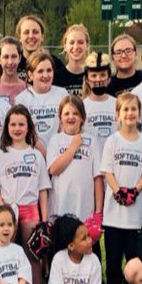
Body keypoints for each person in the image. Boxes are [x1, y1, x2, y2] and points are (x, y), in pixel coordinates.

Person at [99, 93, 142, 284]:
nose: (130, 114)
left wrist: (135, 191)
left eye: (134, 109)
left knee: (133, 260)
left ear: (139, 113)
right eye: (125, 110)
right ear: (117, 115)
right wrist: (118, 191)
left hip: (136, 214)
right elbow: (107, 170)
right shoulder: (112, 141)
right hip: (114, 215)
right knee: (113, 261)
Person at [0, 105, 51, 284]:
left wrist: (44, 217)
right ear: (7, 127)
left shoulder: (36, 155)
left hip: (30, 210)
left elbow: (43, 189)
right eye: (13, 124)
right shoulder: (1, 154)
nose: (17, 128)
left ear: (29, 127)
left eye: (21, 124)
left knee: (32, 255)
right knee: (7, 254)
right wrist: (1, 209)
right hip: (8, 211)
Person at [46, 215, 119, 284]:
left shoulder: (93, 259)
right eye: (84, 238)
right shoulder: (59, 258)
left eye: (89, 235)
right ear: (71, 245)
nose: (90, 240)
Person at [47, 96, 103, 226]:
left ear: (82, 118)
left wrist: (98, 211)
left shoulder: (91, 141)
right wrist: (73, 148)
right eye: (66, 113)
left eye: (75, 113)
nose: (71, 117)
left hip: (84, 208)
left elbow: (98, 178)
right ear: (60, 118)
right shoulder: (55, 140)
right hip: (60, 207)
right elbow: (54, 169)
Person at [14, 50, 68, 152]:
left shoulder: (62, 94)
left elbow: (64, 127)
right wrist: (44, 154)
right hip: (33, 155)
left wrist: (55, 154)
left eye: (49, 70)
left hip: (59, 153)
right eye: (40, 71)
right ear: (30, 75)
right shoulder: (21, 100)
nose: (45, 75)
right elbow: (26, 133)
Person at [15, 15, 69, 87]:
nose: (31, 36)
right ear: (20, 37)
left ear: (42, 37)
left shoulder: (56, 64)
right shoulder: (13, 63)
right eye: (26, 32)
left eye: (35, 32)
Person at [82, 51, 117, 151]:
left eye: (102, 75)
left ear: (109, 78)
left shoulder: (117, 104)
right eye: (93, 75)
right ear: (87, 79)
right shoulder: (82, 106)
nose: (98, 79)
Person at [59, 23, 91, 98]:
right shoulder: (57, 78)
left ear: (87, 45)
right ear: (65, 46)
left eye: (80, 42)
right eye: (71, 42)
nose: (76, 47)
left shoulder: (94, 76)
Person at [0, 37, 27, 104]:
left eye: (14, 56)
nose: (10, 62)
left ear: (19, 58)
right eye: (6, 57)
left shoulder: (28, 89)